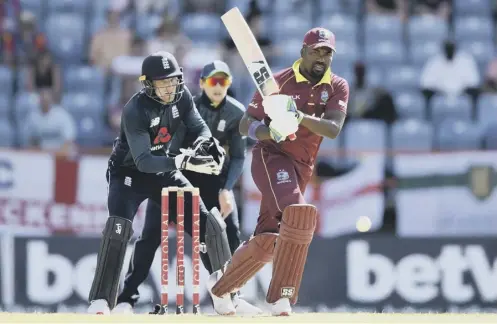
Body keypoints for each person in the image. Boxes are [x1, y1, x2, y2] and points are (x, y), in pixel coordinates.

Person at [207, 27, 349, 316]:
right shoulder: (279, 81)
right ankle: (280, 298)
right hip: (271, 156)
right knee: (299, 214)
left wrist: (297, 117)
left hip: (302, 165)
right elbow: (246, 124)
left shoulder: (336, 86)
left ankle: (221, 289)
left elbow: (333, 129)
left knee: (269, 239)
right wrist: (269, 131)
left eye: (327, 52)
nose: (321, 57)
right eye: (316, 50)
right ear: (303, 52)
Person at [87, 51, 232, 315]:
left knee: (206, 221)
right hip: (128, 175)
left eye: (173, 80)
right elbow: (143, 161)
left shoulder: (182, 97)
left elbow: (199, 129)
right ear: (148, 84)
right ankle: (101, 300)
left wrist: (206, 146)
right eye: (162, 82)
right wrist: (185, 162)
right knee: (118, 229)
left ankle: (226, 292)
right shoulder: (135, 109)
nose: (169, 87)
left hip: (163, 171)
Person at [112, 60, 261, 315]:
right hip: (177, 178)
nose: (217, 86)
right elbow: (169, 148)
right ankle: (127, 298)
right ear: (201, 83)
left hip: (214, 184)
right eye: (212, 81)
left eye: (223, 81)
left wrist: (226, 189)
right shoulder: (183, 105)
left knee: (227, 232)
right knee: (150, 237)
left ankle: (231, 295)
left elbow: (238, 157)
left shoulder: (236, 113)